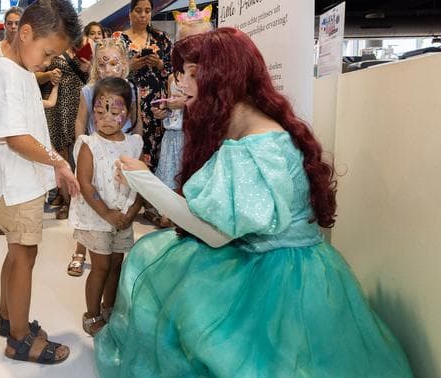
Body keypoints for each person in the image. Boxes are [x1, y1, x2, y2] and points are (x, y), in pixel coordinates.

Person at [94, 28, 413, 377]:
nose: (181, 84)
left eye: (192, 74)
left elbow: (215, 234)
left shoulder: (255, 146)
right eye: (182, 73)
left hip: (281, 278)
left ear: (222, 79)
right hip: (277, 262)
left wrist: (144, 180)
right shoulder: (252, 132)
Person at [0, 0, 80, 365]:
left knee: (16, 251)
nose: (48, 61)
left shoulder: (20, 69)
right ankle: (19, 339)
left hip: (20, 181)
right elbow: (16, 137)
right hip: (17, 184)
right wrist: (60, 162)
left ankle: (7, 317)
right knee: (25, 255)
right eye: (48, 52)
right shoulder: (8, 74)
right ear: (25, 33)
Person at [69, 77, 143, 336]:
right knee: (100, 266)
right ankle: (91, 314)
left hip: (123, 216)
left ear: (128, 114)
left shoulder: (133, 144)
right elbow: (85, 184)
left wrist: (130, 214)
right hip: (97, 218)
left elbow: (141, 183)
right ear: (93, 113)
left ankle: (109, 307)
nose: (107, 119)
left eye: (115, 112)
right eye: (100, 112)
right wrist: (108, 214)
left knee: (116, 265)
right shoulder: (89, 144)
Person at [68, 37, 141, 277]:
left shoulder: (130, 89)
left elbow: (136, 120)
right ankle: (80, 251)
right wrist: (80, 148)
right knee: (91, 199)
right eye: (102, 64)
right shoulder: (89, 90)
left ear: (124, 64)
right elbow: (81, 120)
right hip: (96, 152)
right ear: (94, 66)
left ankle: (114, 237)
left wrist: (137, 147)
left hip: (122, 150)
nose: (107, 69)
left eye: (113, 63)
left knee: (116, 197)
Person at [119, 0, 172, 227]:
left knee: (156, 150)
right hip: (130, 102)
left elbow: (173, 71)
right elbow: (110, 70)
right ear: (130, 13)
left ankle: (152, 203)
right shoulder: (119, 39)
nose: (143, 15)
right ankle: (130, 201)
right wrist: (130, 66)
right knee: (132, 148)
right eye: (138, 11)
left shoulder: (161, 38)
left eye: (147, 11)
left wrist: (159, 64)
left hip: (156, 104)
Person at [155, 0, 212, 192]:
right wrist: (164, 110)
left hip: (198, 138)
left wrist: (187, 104)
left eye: (198, 41)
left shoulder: (213, 74)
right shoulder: (173, 77)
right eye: (186, 43)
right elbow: (172, 107)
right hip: (174, 138)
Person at [38, 39, 89, 220]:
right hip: (56, 105)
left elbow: (93, 77)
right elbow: (34, 75)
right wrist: (49, 75)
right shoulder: (51, 46)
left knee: (81, 153)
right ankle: (67, 202)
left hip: (79, 105)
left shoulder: (86, 47)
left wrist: (88, 68)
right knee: (62, 154)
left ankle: (82, 200)